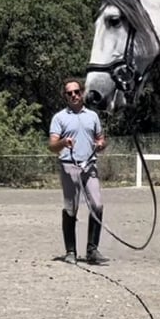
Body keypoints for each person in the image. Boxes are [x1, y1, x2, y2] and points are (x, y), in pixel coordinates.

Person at [48, 78, 109, 265]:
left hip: (89, 166)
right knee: (71, 208)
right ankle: (71, 251)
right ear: (65, 96)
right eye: (69, 93)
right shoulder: (59, 118)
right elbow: (52, 146)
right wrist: (63, 143)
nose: (74, 95)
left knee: (97, 206)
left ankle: (92, 250)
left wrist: (100, 145)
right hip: (69, 167)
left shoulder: (92, 116)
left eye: (76, 91)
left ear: (82, 92)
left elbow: (101, 139)